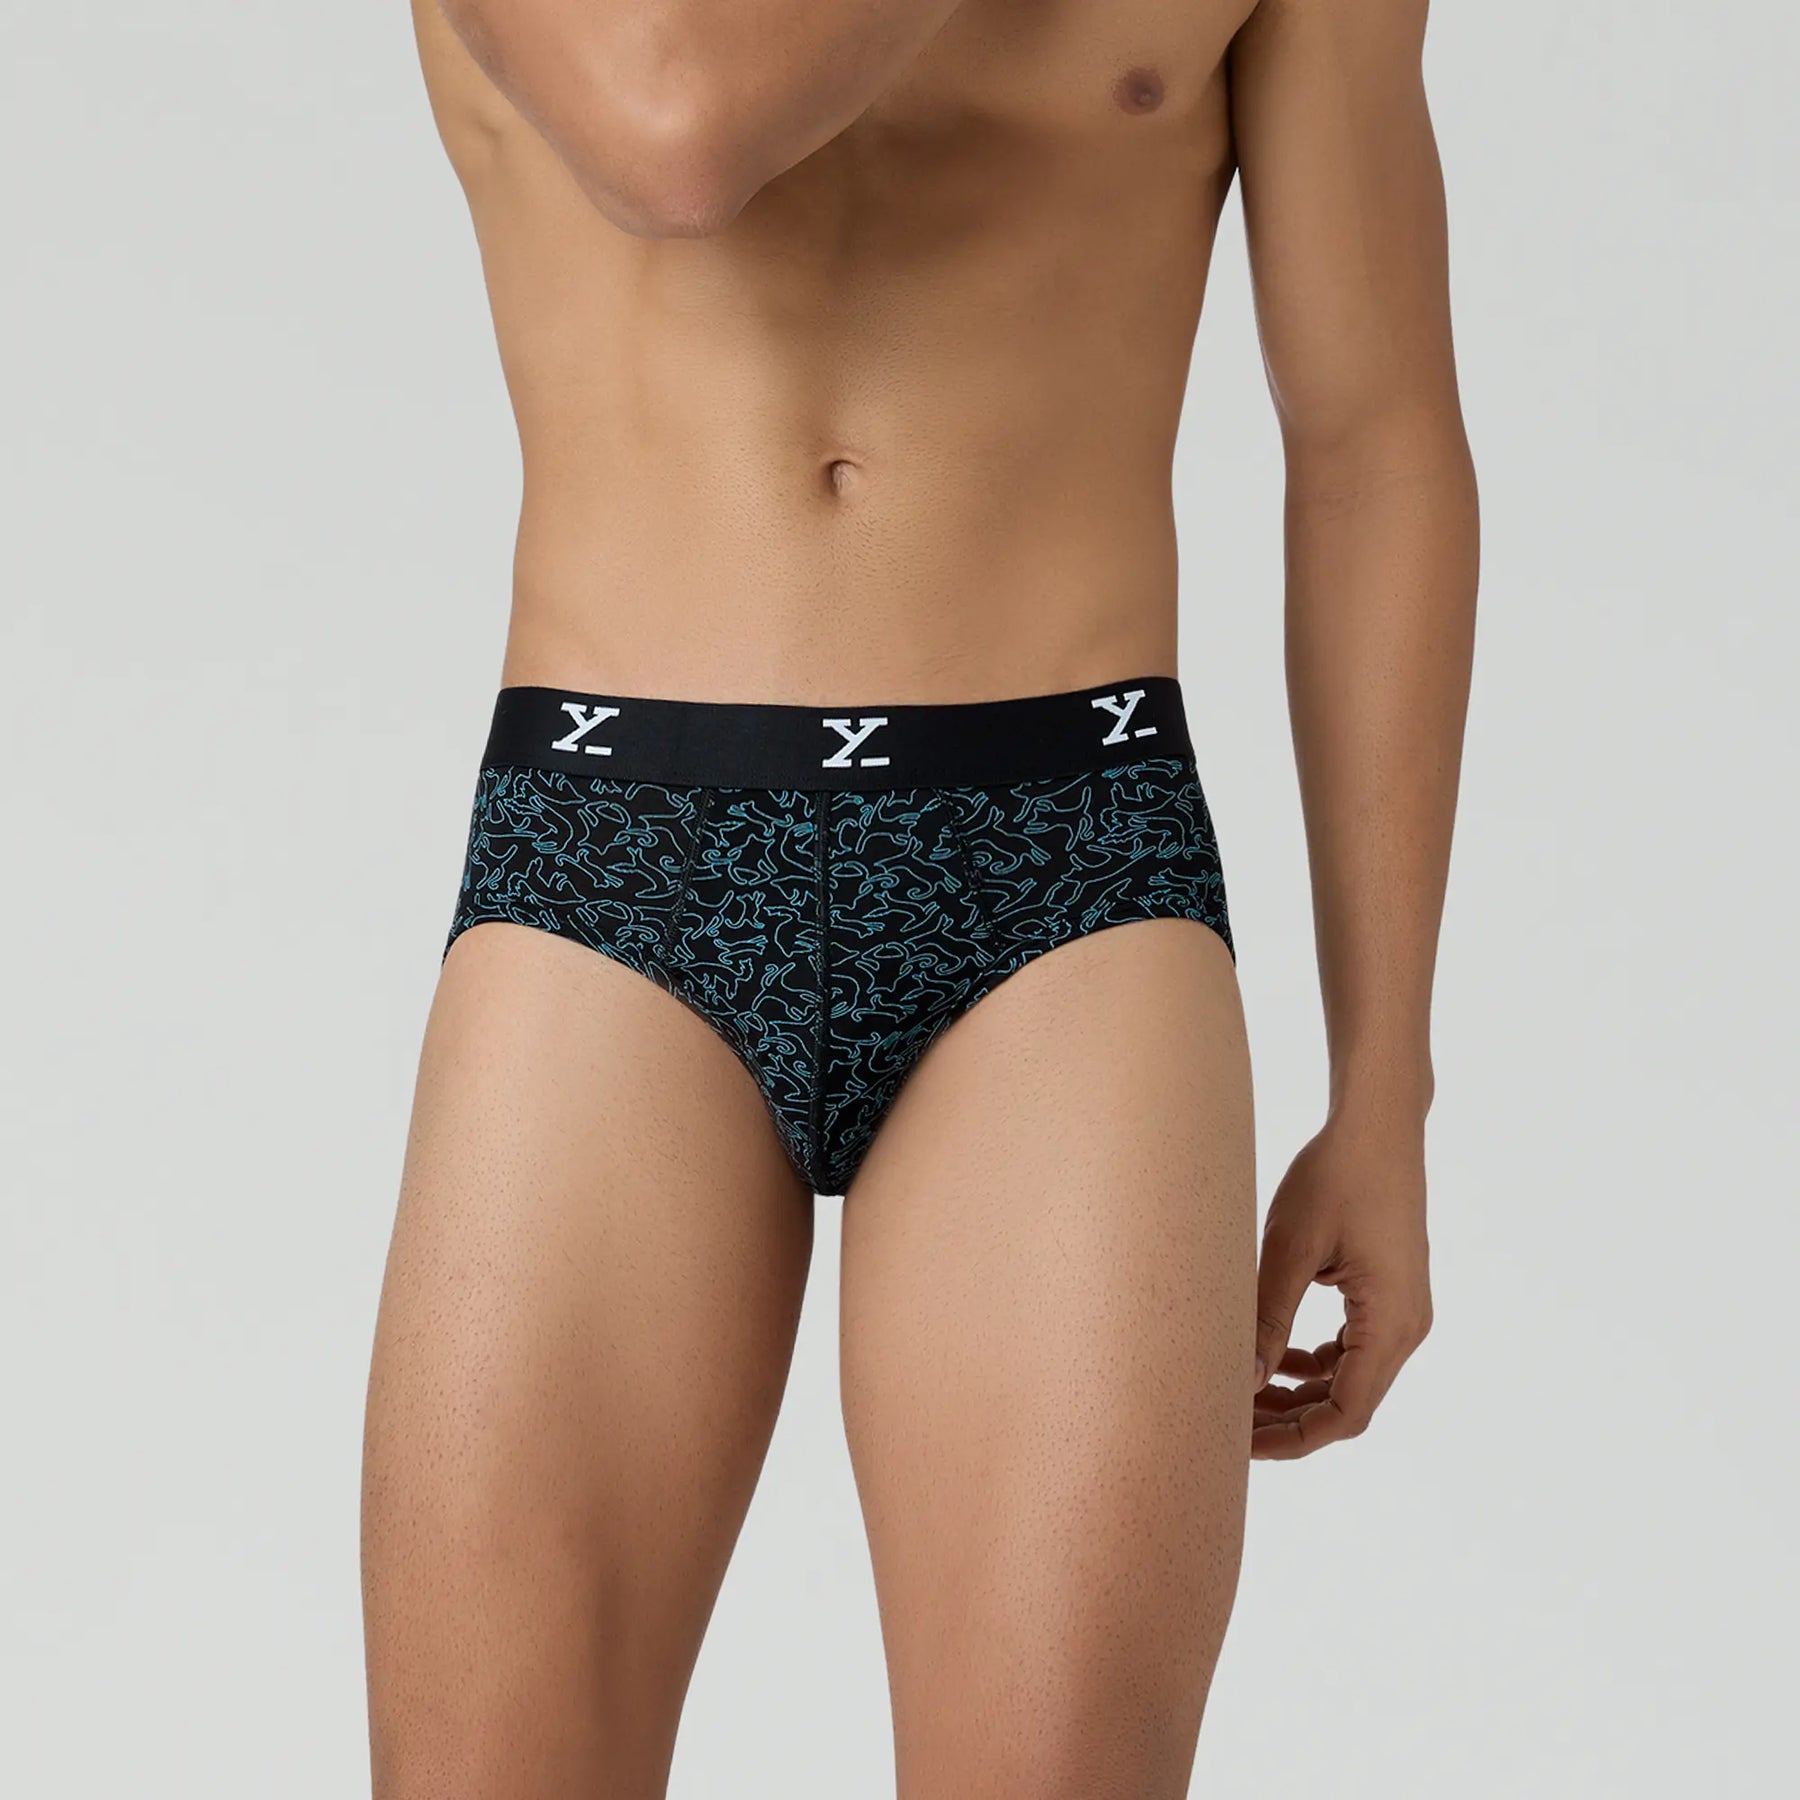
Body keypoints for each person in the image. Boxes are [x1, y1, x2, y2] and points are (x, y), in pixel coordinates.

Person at [360, 0, 1478, 1792]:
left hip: (1065, 869)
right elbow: (672, 126)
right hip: (618, 854)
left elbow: (1375, 443)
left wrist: (1387, 1084)